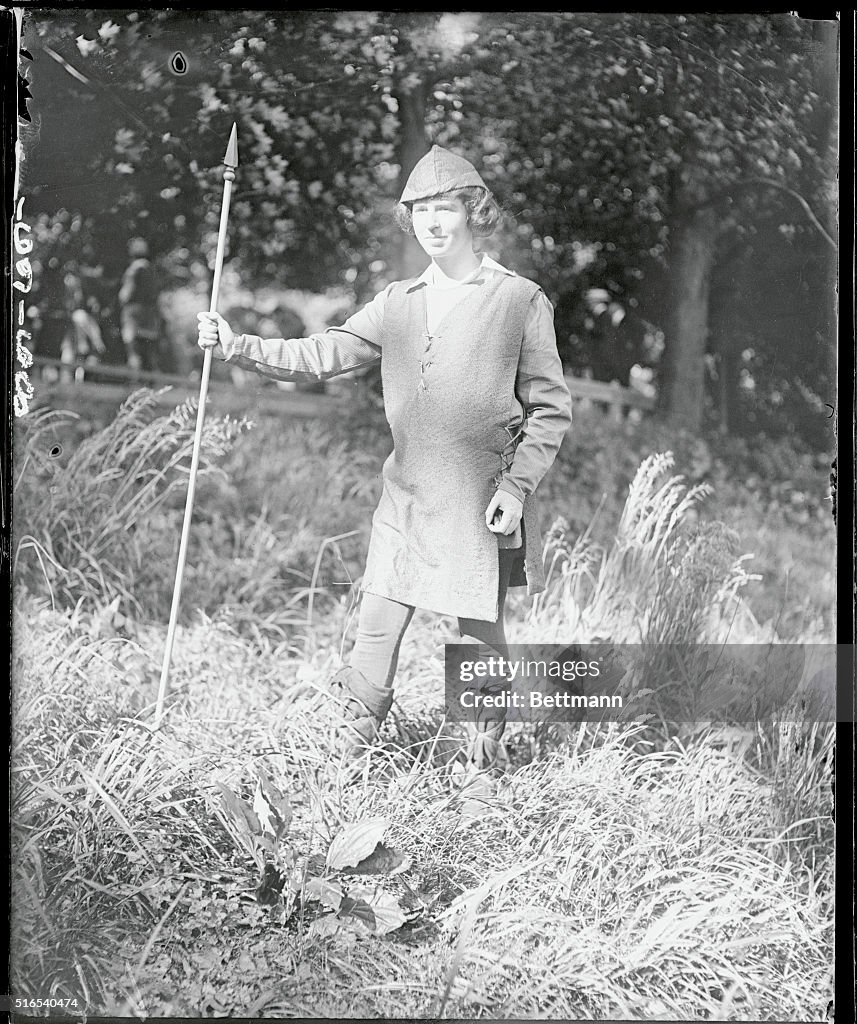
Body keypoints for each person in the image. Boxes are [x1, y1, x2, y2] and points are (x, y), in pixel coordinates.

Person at [197, 145, 572, 771]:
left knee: (476, 640)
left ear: (473, 213)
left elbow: (551, 409)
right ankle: (346, 763)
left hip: (480, 505)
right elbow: (325, 352)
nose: (431, 222)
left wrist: (515, 489)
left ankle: (479, 777)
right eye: (419, 209)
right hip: (405, 497)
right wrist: (237, 344)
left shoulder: (519, 300)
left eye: (444, 208)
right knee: (375, 626)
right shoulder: (398, 301)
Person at [118, 238, 166, 373]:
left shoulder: (134, 269)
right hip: (150, 313)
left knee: (133, 349)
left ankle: (135, 381)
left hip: (133, 312)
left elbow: (126, 293)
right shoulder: (151, 269)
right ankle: (155, 384)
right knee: (151, 352)